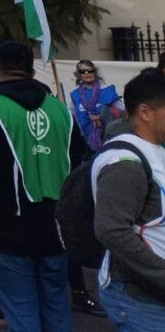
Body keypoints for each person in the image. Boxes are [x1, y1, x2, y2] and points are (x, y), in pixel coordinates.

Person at [0, 41, 82, 332]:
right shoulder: (61, 111)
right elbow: (80, 167)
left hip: (5, 230)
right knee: (56, 308)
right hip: (56, 229)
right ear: (32, 71)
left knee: (21, 312)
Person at [93, 69, 165, 330]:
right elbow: (111, 230)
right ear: (145, 112)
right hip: (141, 301)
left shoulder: (156, 150)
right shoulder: (125, 163)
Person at [70, 59, 124, 153]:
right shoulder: (75, 95)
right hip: (85, 142)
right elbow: (72, 116)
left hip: (109, 139)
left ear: (94, 72)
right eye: (82, 71)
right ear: (79, 75)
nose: (87, 73)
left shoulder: (107, 91)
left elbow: (122, 112)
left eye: (90, 70)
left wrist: (102, 115)